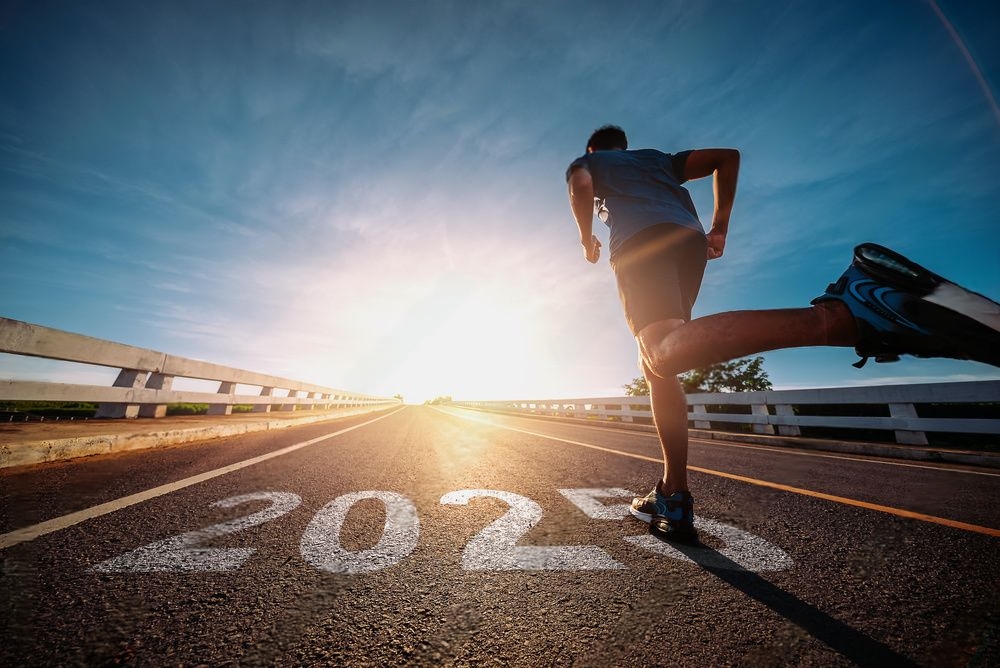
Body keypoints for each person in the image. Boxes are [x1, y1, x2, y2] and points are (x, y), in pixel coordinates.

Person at [566, 124, 1000, 543]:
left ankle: (852, 312)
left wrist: (587, 239)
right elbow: (725, 158)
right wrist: (720, 227)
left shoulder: (590, 164)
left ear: (594, 150)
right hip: (687, 242)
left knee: (660, 353)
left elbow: (581, 186)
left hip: (640, 244)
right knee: (662, 364)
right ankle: (672, 494)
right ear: (626, 144)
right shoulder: (656, 160)